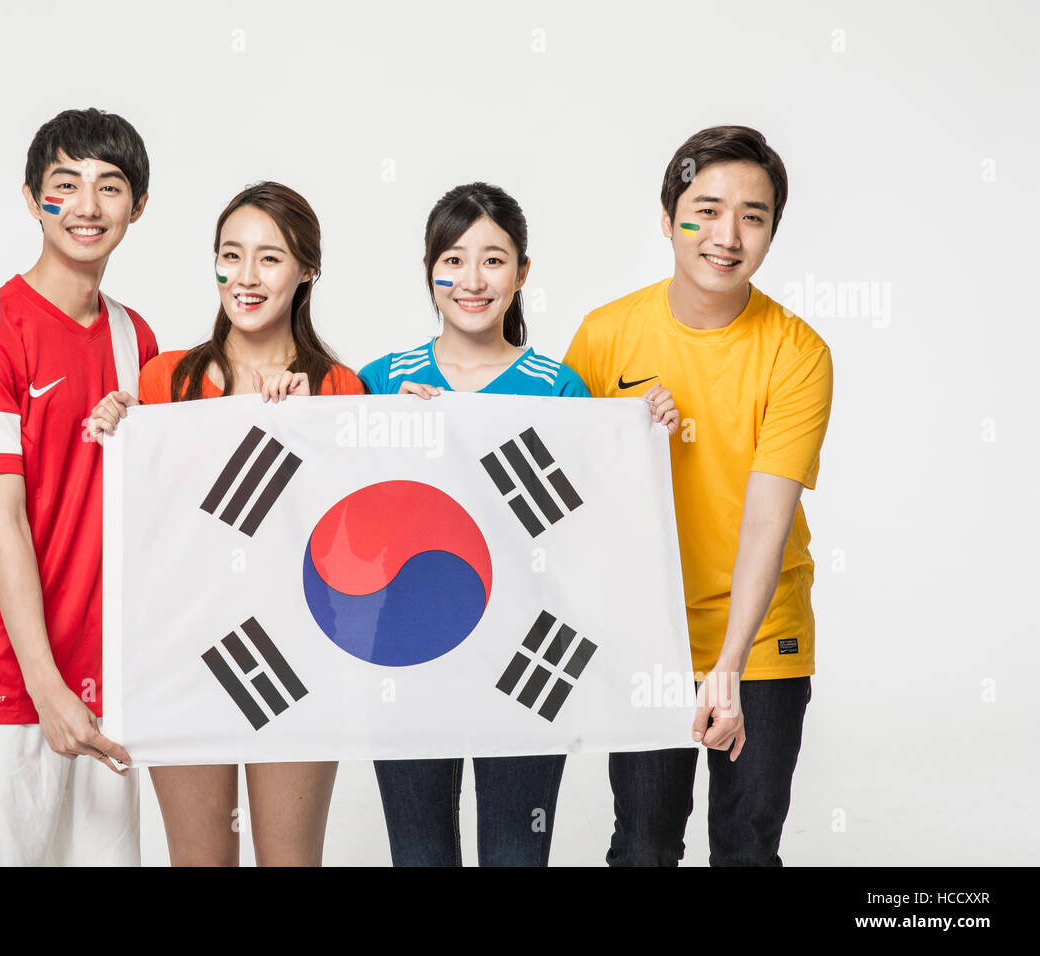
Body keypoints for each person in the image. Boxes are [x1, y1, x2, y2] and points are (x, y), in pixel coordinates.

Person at [359, 182, 679, 866]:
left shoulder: (558, 388)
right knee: (419, 856)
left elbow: (593, 526)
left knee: (515, 855)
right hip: (410, 653)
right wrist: (386, 436)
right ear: (428, 271)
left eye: (494, 260)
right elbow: (340, 527)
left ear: (522, 273)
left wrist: (641, 435)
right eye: (452, 259)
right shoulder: (379, 383)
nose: (471, 280)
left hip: (530, 656)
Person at [562, 125, 833, 866]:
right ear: (667, 218)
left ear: (774, 231)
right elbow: (562, 490)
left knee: (746, 848)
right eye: (705, 209)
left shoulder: (797, 352)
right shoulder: (606, 334)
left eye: (754, 215)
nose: (727, 234)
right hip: (648, 633)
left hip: (762, 636)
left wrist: (729, 666)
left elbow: (766, 521)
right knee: (643, 846)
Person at [87, 181, 364, 866]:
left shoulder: (338, 389)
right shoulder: (163, 380)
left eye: (269, 258)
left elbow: (356, 555)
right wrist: (116, 434)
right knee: (200, 861)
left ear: (307, 270)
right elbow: (143, 533)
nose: (245, 277)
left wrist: (313, 431)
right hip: (184, 653)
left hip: (297, 659)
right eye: (230, 255)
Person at [0, 108, 159, 865]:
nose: (88, 207)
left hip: (110, 679)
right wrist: (47, 688)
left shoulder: (137, 340)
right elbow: (4, 525)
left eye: (111, 187)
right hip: (6, 678)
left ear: (139, 206)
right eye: (66, 186)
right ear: (33, 199)